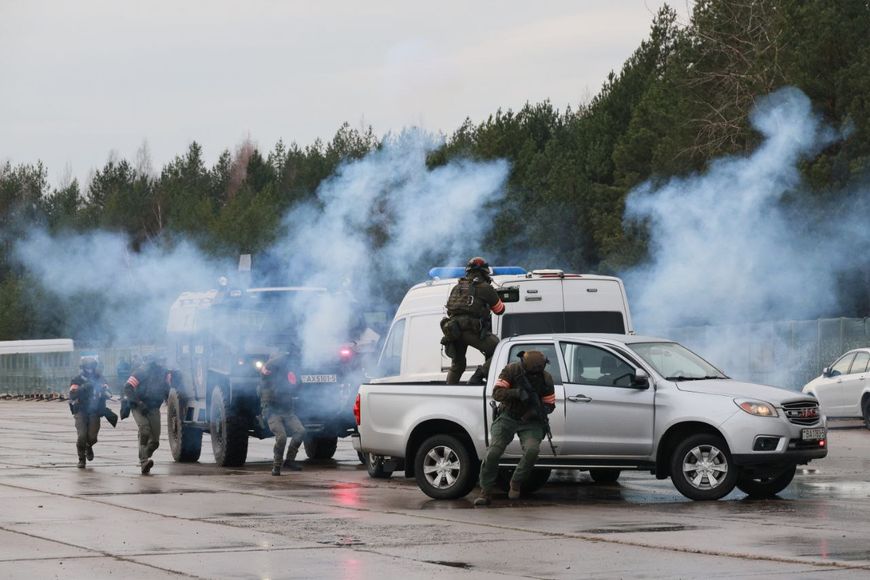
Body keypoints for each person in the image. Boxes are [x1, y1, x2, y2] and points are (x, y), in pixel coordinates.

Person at [474, 350, 556, 506]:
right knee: (493, 452)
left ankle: (516, 482)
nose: (536, 374)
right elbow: (497, 393)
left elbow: (550, 404)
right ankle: (485, 492)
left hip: (531, 421)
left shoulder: (546, 379)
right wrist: (517, 393)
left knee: (532, 451)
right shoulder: (512, 371)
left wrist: (536, 411)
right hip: (508, 415)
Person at [441, 257, 506, 385]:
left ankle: (448, 390)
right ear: (484, 272)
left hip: (453, 331)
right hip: (471, 330)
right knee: (500, 350)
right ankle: (479, 375)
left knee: (458, 364)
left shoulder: (457, 287)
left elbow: (451, 310)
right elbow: (500, 310)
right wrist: (494, 297)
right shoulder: (485, 288)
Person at [121, 355, 171, 474]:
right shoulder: (141, 372)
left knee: (155, 442)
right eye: (160, 361)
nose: (163, 363)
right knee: (144, 429)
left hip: (153, 408)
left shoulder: (164, 374)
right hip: (138, 406)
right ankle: (144, 461)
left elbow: (167, 389)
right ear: (154, 363)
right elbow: (127, 387)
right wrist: (138, 402)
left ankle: (144, 456)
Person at [259, 352, 306, 476]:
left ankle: (290, 460)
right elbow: (269, 364)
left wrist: (293, 377)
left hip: (287, 412)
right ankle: (277, 466)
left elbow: (297, 385)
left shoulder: (287, 375)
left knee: (300, 431)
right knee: (282, 438)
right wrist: (286, 354)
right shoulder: (266, 374)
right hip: (273, 413)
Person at [68, 355, 115, 468]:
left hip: (94, 411)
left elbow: (108, 391)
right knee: (82, 436)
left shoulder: (100, 378)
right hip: (80, 410)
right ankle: (81, 458)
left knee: (92, 437)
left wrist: (104, 391)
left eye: (92, 366)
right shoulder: (77, 379)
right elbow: (72, 394)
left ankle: (88, 446)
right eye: (87, 367)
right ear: (83, 367)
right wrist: (84, 387)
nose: (89, 369)